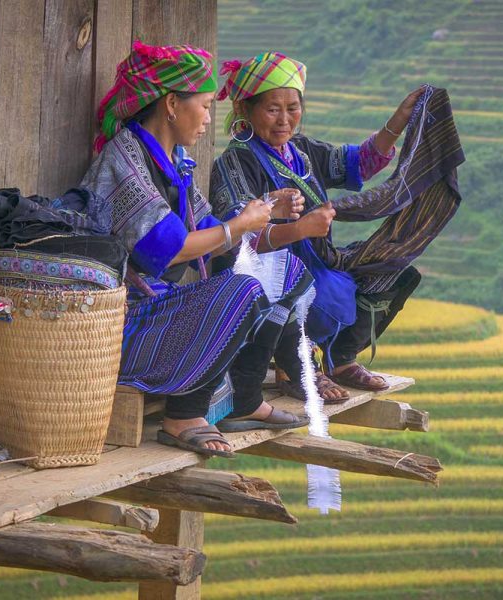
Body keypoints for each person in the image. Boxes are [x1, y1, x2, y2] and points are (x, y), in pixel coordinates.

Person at [81, 41, 313, 458]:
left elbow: (210, 236)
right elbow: (170, 251)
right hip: (119, 328)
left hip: (158, 313)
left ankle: (244, 399)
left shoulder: (177, 163)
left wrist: (263, 211)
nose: (208, 119)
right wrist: (239, 224)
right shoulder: (124, 160)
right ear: (172, 104)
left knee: (286, 270)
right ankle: (184, 416)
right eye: (205, 106)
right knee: (242, 290)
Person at [210, 52, 447, 401]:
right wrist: (297, 228)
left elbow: (359, 163)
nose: (284, 120)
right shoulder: (233, 162)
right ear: (244, 109)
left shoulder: (303, 151)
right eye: (273, 109)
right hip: (268, 274)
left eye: (293, 108)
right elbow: (235, 239)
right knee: (294, 284)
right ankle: (296, 368)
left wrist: (398, 120)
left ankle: (340, 358)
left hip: (320, 261)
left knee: (394, 269)